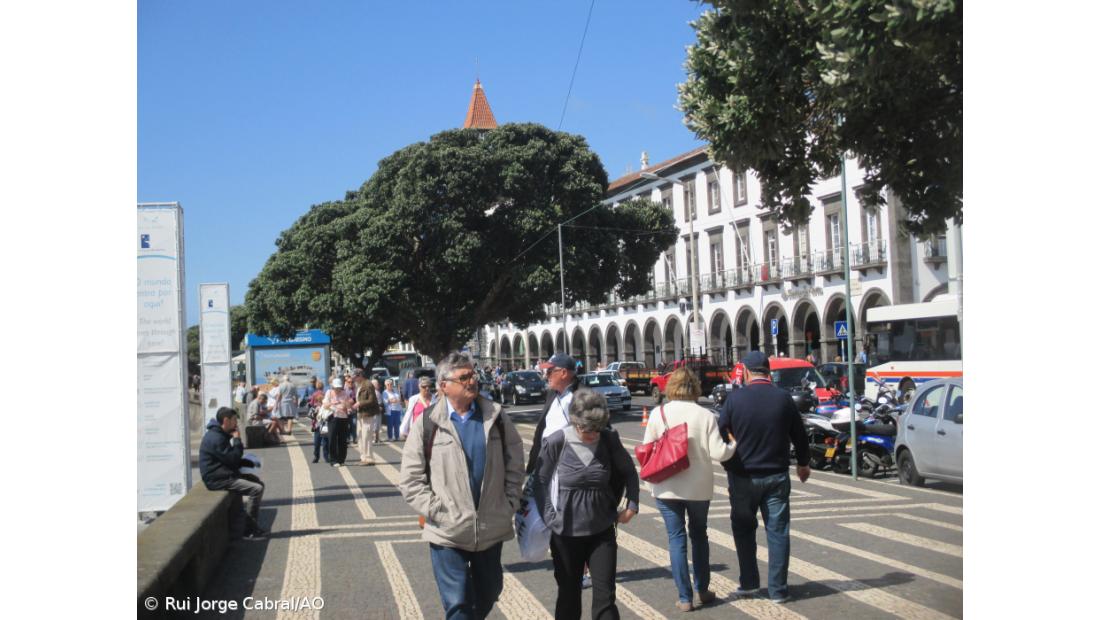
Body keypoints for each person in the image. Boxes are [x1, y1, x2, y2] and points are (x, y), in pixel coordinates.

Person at [398, 352, 524, 620]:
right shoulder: (428, 423)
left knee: (489, 592)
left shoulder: (496, 417)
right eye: (464, 377)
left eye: (473, 375)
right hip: (447, 530)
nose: (472, 381)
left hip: (490, 525)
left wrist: (509, 502)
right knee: (457, 604)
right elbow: (410, 480)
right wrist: (437, 511)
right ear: (444, 385)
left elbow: (515, 464)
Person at [534, 389, 639, 620]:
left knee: (605, 597)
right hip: (565, 533)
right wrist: (550, 516)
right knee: (569, 595)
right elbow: (539, 481)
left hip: (601, 530)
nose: (592, 436)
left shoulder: (609, 439)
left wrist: (632, 505)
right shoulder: (557, 441)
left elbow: (630, 473)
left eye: (596, 431)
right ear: (575, 423)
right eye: (586, 430)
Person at [717, 351, 811, 604]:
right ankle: (778, 590)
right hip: (776, 475)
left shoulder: (734, 399)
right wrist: (803, 464)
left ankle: (749, 583)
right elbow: (799, 434)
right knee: (778, 532)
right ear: (768, 372)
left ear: (746, 371)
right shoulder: (783, 398)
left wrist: (729, 452)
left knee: (743, 529)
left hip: (742, 476)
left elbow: (720, 429)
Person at [642, 368, 737, 611]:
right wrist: (733, 444)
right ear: (695, 387)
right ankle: (702, 590)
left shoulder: (658, 413)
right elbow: (718, 452)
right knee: (699, 536)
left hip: (666, 486)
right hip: (698, 488)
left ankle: (685, 598)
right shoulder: (704, 415)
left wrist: (647, 482)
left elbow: (646, 450)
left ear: (669, 387)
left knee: (676, 539)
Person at [199, 407, 268, 539]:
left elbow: (230, 459)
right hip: (218, 479)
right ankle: (249, 530)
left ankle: (242, 525)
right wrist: (237, 440)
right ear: (226, 421)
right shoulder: (216, 438)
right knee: (256, 489)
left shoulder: (219, 434)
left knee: (257, 482)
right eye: (234, 421)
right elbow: (233, 459)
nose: (236, 424)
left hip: (224, 473)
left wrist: (249, 464)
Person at [527, 353, 581, 476]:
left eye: (550, 371)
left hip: (567, 467)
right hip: (545, 463)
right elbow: (542, 428)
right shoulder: (553, 393)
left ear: (563, 373)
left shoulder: (581, 396)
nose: (546, 376)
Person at [323, 377, 352, 467]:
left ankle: (341, 459)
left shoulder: (345, 393)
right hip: (333, 418)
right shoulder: (329, 392)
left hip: (343, 418)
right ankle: (333, 460)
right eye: (336, 387)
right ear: (333, 387)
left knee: (343, 440)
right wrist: (334, 404)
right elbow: (325, 404)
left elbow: (348, 405)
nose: (338, 389)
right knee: (332, 439)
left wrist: (345, 405)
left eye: (339, 387)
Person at [355, 370, 382, 465]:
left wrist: (360, 403)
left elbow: (372, 400)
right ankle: (363, 457)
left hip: (367, 413)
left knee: (366, 436)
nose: (354, 379)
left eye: (355, 377)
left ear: (360, 375)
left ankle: (369, 458)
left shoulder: (368, 384)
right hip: (360, 413)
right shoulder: (358, 385)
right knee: (360, 436)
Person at [309, 380, 329, 464]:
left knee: (317, 441)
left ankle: (316, 456)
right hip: (324, 425)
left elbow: (311, 406)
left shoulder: (314, 395)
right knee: (324, 441)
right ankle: (326, 456)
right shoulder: (325, 394)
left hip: (317, 425)